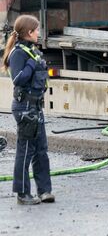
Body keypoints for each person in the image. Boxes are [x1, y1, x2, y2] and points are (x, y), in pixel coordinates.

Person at [2, 15, 54, 205]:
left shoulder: (32, 51)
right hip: (24, 108)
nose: (39, 33)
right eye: (37, 30)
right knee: (25, 150)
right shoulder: (18, 54)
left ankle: (45, 191)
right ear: (29, 32)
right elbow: (18, 79)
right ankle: (22, 194)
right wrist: (32, 64)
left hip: (35, 107)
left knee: (41, 149)